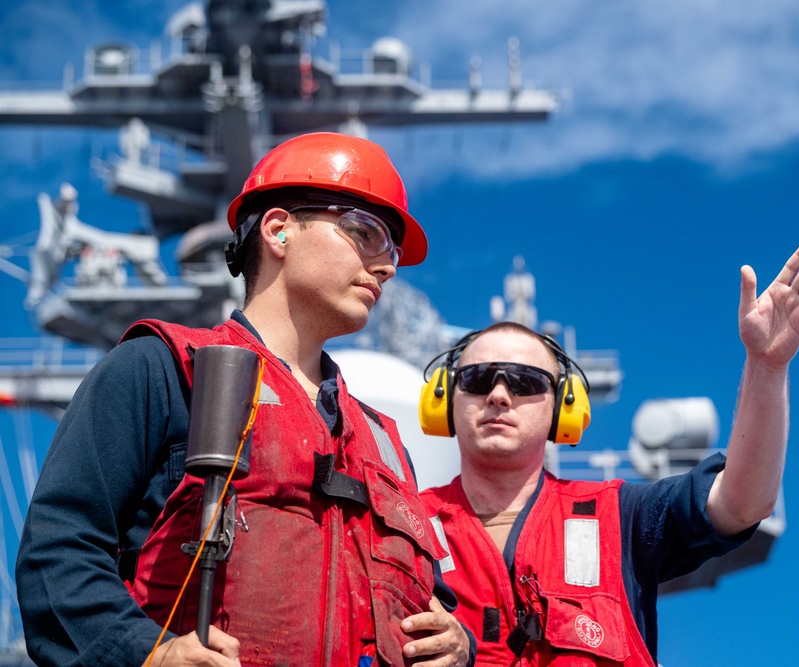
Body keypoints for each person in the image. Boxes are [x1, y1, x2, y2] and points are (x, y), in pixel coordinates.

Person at [16, 132, 472, 667]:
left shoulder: (383, 442)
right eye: (365, 232)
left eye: (390, 247)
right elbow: (57, 556)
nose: (387, 265)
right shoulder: (161, 369)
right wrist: (150, 656)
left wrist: (458, 645)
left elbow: (428, 600)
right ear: (279, 230)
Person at [419, 240, 799, 666]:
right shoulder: (399, 527)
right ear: (445, 399)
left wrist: (766, 365)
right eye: (478, 379)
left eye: (525, 382)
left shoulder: (620, 516)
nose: (500, 395)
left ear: (563, 407)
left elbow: (744, 502)